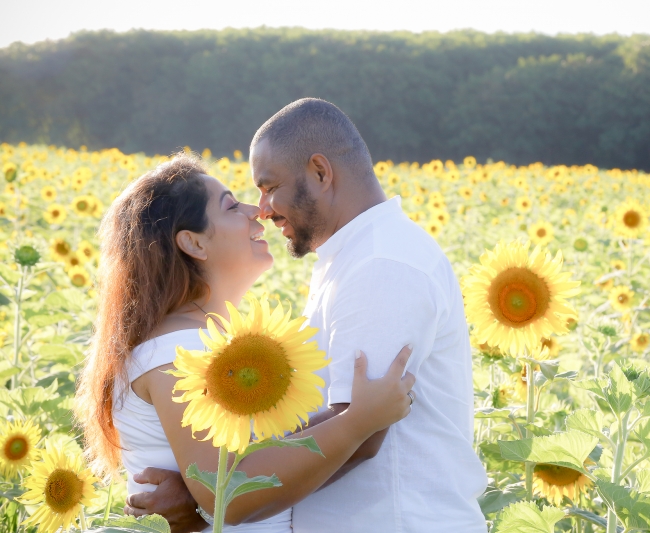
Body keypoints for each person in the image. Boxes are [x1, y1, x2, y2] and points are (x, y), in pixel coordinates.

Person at [125, 98, 488, 532]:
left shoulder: (381, 264)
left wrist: (214, 495)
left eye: (269, 186)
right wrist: (212, 485)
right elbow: (339, 422)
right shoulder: (347, 259)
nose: (262, 208)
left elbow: (361, 430)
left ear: (320, 172)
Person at [73, 153, 416, 533]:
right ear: (193, 243)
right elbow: (229, 496)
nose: (257, 211)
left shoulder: (204, 342)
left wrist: (194, 502)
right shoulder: (177, 353)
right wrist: (358, 422)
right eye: (232, 205)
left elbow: (240, 465)